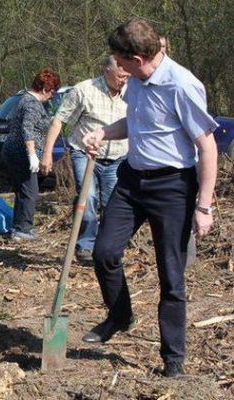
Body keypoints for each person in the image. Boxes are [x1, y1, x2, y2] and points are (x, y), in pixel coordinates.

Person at [81, 18, 218, 378]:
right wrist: (104, 132)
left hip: (172, 187)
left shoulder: (182, 85)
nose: (117, 68)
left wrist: (204, 206)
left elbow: (207, 146)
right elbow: (135, 122)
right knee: (104, 252)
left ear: (138, 58)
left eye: (120, 61)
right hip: (131, 180)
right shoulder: (137, 82)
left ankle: (173, 360)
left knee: (171, 277)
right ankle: (121, 314)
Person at [40, 57, 130, 263]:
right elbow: (58, 120)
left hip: (118, 157)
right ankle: (86, 245)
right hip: (85, 154)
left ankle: (106, 248)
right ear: (107, 71)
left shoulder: (132, 92)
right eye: (120, 76)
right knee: (87, 197)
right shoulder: (84, 90)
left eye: (127, 76)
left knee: (112, 205)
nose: (124, 80)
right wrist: (47, 153)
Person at [1, 69, 61, 241]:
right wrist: (33, 155)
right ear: (44, 90)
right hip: (21, 154)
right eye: (52, 91)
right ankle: (23, 229)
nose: (52, 96)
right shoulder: (32, 104)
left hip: (13, 152)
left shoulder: (25, 100)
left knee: (23, 191)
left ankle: (19, 227)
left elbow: (34, 125)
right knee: (30, 192)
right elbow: (27, 129)